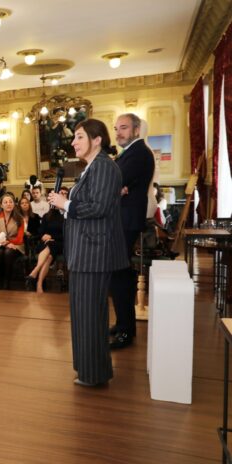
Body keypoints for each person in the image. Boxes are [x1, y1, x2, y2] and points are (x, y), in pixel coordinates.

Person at [48, 119, 129, 387]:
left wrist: (66, 204)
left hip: (94, 252)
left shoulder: (104, 166)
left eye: (79, 136)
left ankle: (94, 374)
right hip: (85, 251)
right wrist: (66, 205)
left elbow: (99, 208)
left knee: (90, 316)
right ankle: (88, 370)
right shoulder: (92, 167)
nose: (73, 142)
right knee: (84, 314)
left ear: (97, 140)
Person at [109, 113, 155, 350]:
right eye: (116, 128)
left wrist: (118, 187)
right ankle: (123, 324)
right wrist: (118, 188)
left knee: (118, 274)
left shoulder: (138, 153)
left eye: (124, 127)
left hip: (126, 221)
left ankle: (126, 330)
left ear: (136, 130)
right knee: (119, 274)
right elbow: (116, 183)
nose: (118, 132)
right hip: (122, 219)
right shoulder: (129, 153)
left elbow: (113, 181)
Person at [25, 202, 65, 294]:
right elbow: (41, 231)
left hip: (59, 242)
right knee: (49, 257)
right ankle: (39, 284)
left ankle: (35, 271)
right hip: (46, 242)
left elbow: (65, 234)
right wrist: (44, 236)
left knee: (50, 245)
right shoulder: (46, 216)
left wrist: (51, 237)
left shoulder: (65, 216)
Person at [0, 193, 25, 289]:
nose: (8, 204)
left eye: (10, 202)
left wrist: (8, 242)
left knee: (8, 252)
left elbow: (20, 239)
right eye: (5, 202)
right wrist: (6, 243)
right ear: (1, 205)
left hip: (16, 245)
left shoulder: (20, 219)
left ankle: (7, 282)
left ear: (14, 204)